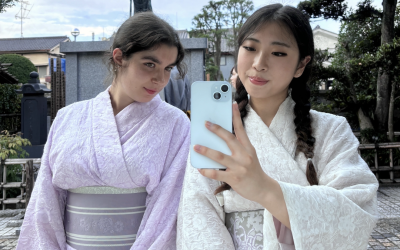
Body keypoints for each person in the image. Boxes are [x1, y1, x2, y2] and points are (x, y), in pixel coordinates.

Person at [177, 4, 378, 250]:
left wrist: (265, 189)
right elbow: (197, 216)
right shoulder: (215, 130)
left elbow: (357, 213)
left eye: (279, 53)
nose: (259, 63)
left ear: (301, 65)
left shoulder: (332, 130)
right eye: (250, 48)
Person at [17, 12, 190, 250]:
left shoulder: (176, 123)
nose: (160, 79)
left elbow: (169, 210)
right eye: (150, 64)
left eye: (168, 68)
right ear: (119, 57)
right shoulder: (68, 118)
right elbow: (45, 202)